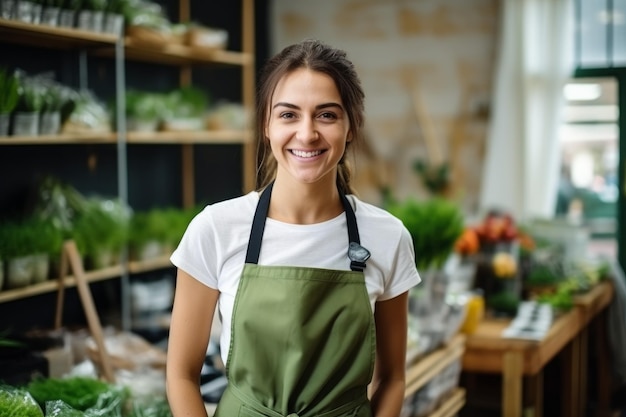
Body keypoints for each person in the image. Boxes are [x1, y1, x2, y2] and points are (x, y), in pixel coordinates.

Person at [166, 39, 421, 417]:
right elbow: (181, 375)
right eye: (288, 115)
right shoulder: (215, 229)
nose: (306, 134)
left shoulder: (387, 237)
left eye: (327, 115)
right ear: (266, 126)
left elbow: (392, 378)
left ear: (351, 126)